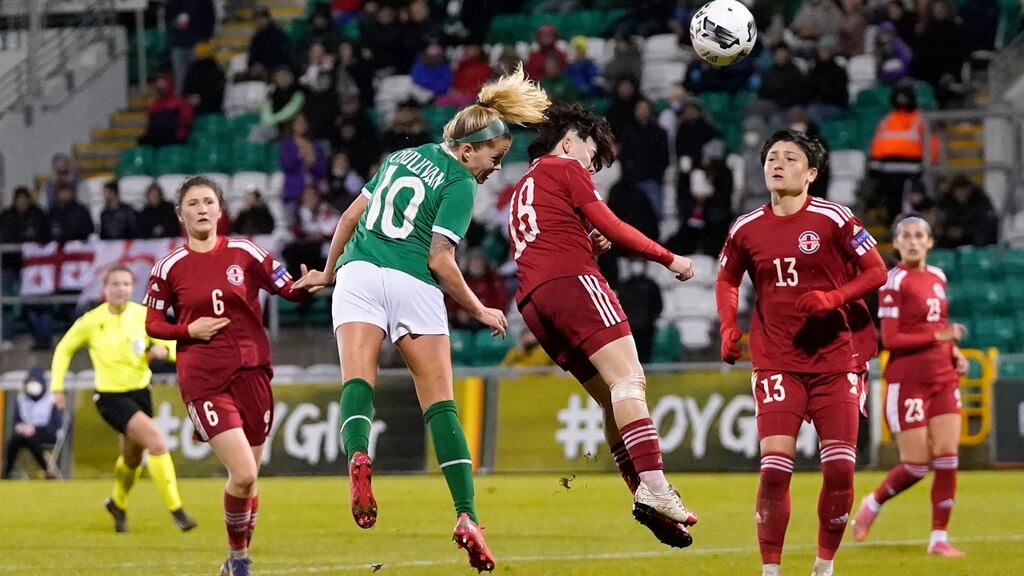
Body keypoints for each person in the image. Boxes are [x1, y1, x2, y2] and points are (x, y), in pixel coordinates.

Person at [292, 64, 551, 572]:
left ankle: (358, 456)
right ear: (468, 148)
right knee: (441, 406)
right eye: (494, 158)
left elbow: (348, 218)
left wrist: (327, 272)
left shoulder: (400, 157)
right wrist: (478, 308)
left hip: (359, 272)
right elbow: (439, 259)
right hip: (413, 283)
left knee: (357, 381)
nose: (495, 168)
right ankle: (466, 515)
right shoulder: (459, 181)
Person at [509, 102, 698, 548]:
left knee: (613, 399)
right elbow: (611, 222)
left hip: (535, 302)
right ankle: (656, 488)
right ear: (570, 140)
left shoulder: (523, 183)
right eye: (591, 157)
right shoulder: (565, 166)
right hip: (573, 284)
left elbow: (546, 237)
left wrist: (586, 242)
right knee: (630, 381)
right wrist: (669, 258)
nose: (590, 169)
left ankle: (641, 494)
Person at [715, 129, 888, 576]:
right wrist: (729, 324)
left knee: (840, 472)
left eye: (790, 158)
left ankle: (823, 567)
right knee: (774, 471)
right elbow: (728, 279)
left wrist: (833, 299)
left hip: (837, 360)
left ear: (811, 173)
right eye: (772, 157)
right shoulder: (745, 227)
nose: (777, 164)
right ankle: (770, 570)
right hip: (776, 359)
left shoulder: (836, 219)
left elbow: (877, 271)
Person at [145, 176, 318, 576]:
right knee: (242, 473)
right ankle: (239, 562)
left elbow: (286, 288)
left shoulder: (245, 252)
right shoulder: (169, 266)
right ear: (180, 214)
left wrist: (307, 286)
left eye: (208, 201)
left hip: (253, 372)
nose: (202, 209)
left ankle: (233, 560)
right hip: (204, 377)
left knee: (249, 480)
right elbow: (153, 323)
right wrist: (188, 330)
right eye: (193, 203)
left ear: (221, 211)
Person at [852, 216, 968, 557]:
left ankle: (938, 538)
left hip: (944, 378)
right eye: (907, 236)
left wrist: (955, 352)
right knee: (916, 465)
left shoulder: (938, 277)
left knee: (948, 457)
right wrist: (939, 337)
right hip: (908, 382)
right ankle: (873, 501)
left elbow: (940, 323)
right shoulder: (893, 281)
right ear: (897, 244)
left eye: (920, 236)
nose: (914, 241)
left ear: (930, 242)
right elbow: (891, 338)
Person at [51, 265, 195, 532]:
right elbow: (63, 349)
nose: (120, 289)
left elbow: (173, 342)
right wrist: (56, 388)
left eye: (126, 284)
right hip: (110, 397)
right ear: (105, 289)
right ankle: (177, 510)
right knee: (157, 443)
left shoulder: (143, 316)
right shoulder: (92, 320)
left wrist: (165, 351)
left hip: (140, 392)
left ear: (132, 288)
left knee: (131, 458)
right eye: (114, 284)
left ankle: (117, 504)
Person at [2, 367, 61, 479]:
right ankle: (6, 472)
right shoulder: (21, 399)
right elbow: (16, 421)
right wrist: (20, 427)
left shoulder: (51, 399)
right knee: (15, 439)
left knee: (31, 438)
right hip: (24, 435)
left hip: (45, 434)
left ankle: (46, 469)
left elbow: (54, 425)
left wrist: (35, 429)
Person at [279, 113, 328, 205]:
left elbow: (322, 167)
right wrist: (300, 156)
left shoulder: (315, 144)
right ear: (292, 124)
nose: (301, 124)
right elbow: (287, 165)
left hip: (315, 192)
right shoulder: (287, 144)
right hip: (294, 192)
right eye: (298, 122)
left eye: (303, 121)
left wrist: (312, 162)